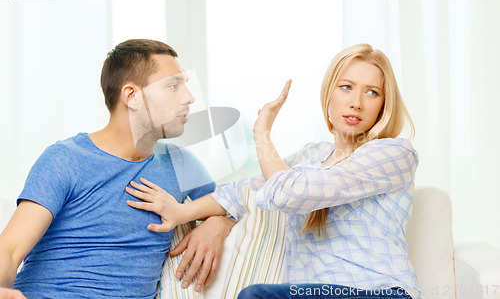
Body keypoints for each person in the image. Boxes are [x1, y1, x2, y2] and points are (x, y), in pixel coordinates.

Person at [124, 43, 422, 298]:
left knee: (257, 296)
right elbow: (245, 190)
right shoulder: (311, 157)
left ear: (384, 104)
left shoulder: (393, 154)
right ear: (329, 94)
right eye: (347, 87)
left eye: (372, 92)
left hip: (381, 292)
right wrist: (180, 212)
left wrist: (262, 132)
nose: (356, 103)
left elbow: (291, 192)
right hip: (315, 291)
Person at [0, 39, 235, 299]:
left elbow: (234, 200)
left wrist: (219, 224)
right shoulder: (66, 158)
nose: (189, 98)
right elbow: (10, 249)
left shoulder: (180, 164)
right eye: (173, 86)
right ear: (131, 96)